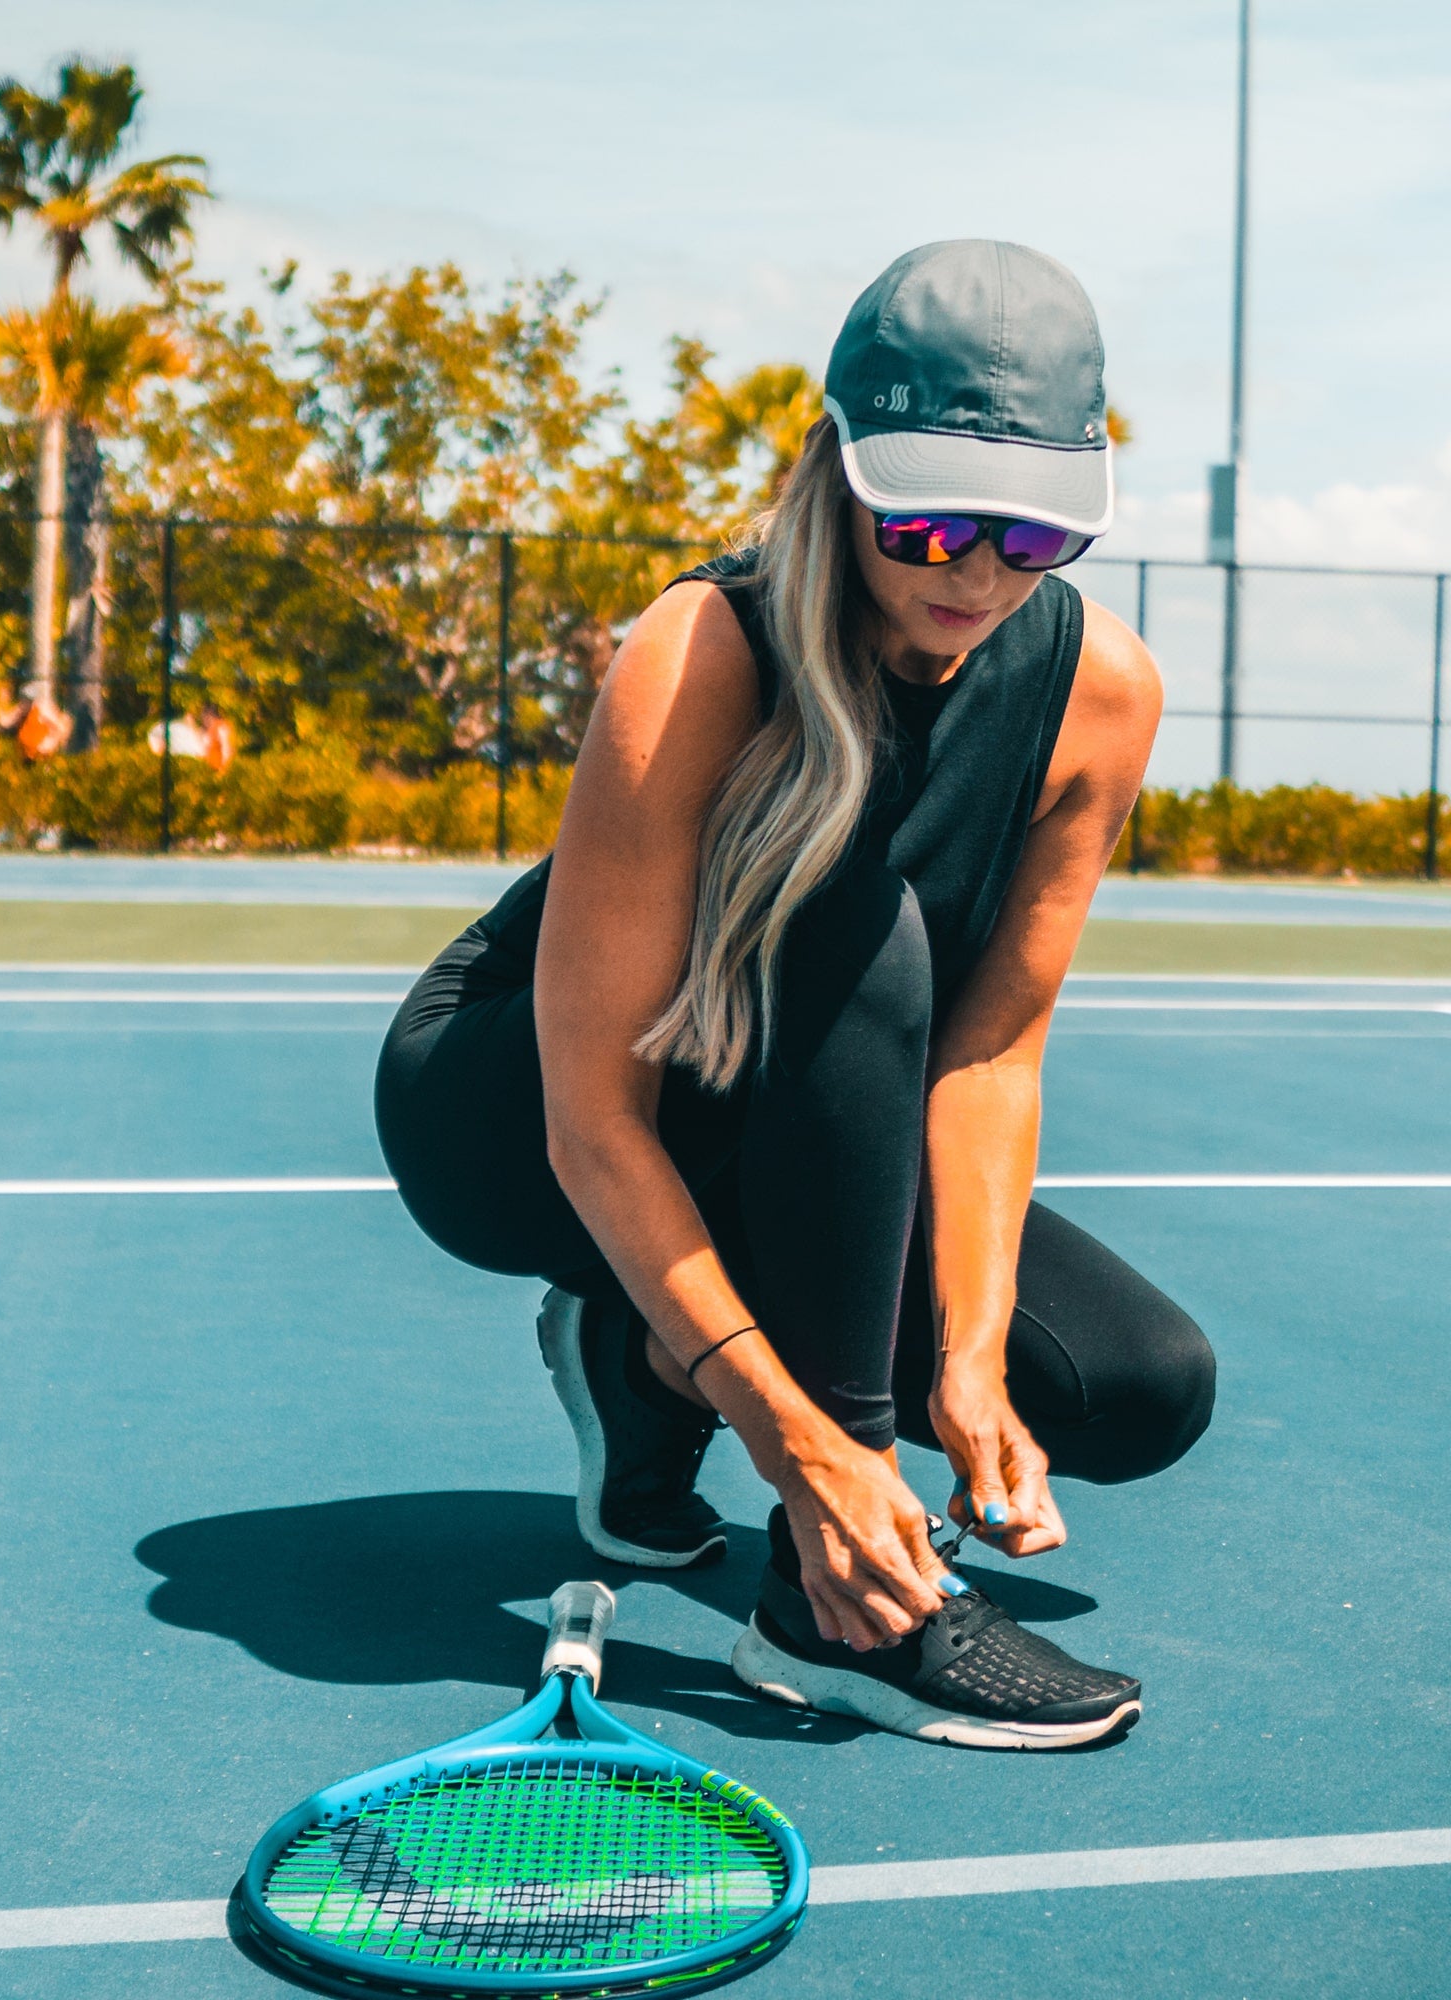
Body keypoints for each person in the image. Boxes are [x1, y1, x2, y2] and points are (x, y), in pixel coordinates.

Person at [377, 241, 1215, 1751]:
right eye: (935, 516)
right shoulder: (701, 653)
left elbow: (990, 1055)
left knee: (1131, 1389)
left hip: (800, 1101)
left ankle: (637, 1363)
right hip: (521, 1116)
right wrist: (810, 1457)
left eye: (1034, 535)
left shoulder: (1104, 694)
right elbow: (593, 1121)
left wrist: (965, 1366)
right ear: (838, 468)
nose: (976, 569)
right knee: (851, 916)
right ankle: (827, 1614)